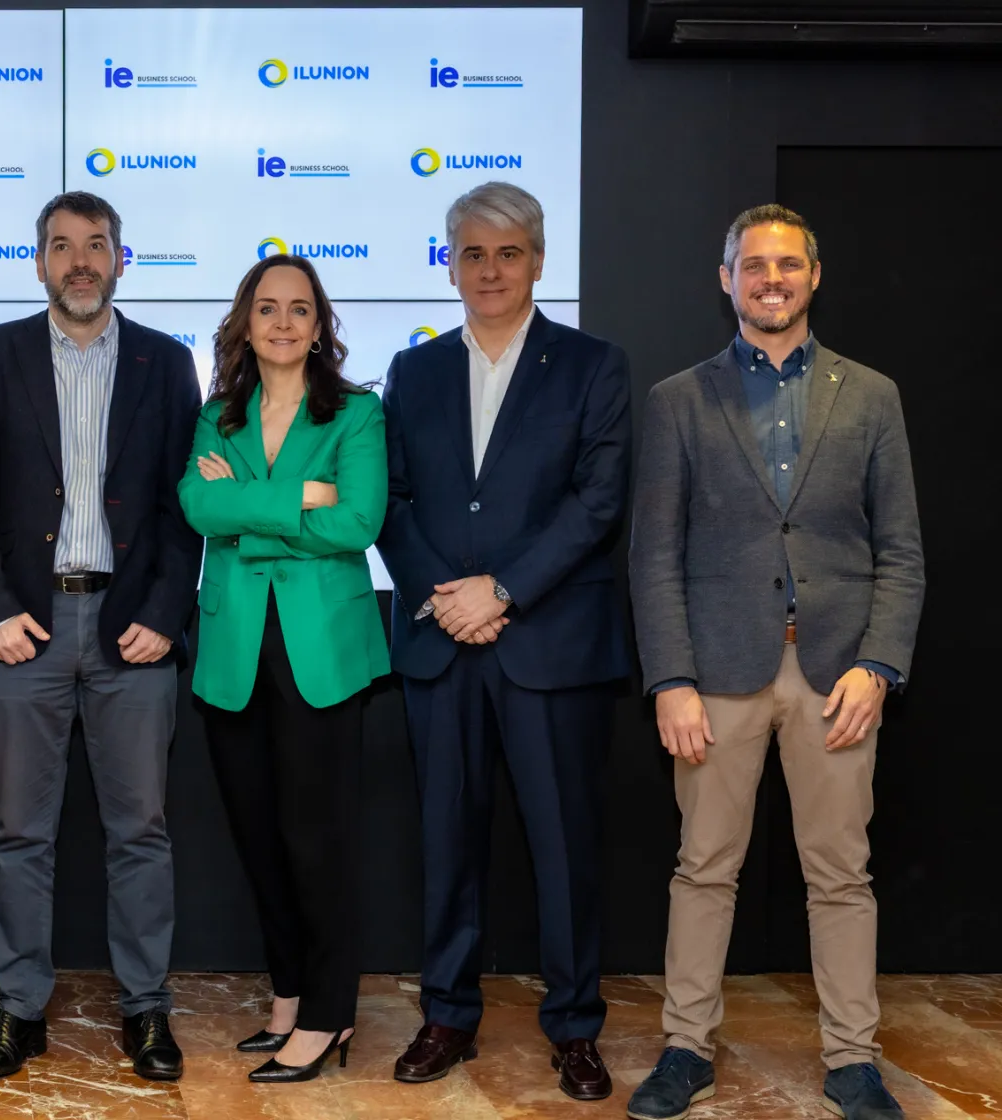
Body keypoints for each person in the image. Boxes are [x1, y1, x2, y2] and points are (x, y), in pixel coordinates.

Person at [626, 205, 924, 1120]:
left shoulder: (871, 395)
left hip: (837, 678)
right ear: (726, 279)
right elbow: (655, 554)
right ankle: (685, 1049)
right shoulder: (680, 399)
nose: (771, 279)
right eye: (753, 265)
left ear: (814, 276)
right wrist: (670, 680)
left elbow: (901, 551)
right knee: (704, 865)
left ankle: (852, 1058)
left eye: (787, 264)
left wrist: (879, 664)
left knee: (840, 872)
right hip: (715, 676)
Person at [376, 181, 631, 1099]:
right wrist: (447, 599)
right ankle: (447, 1015)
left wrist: (506, 591)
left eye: (508, 252)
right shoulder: (415, 371)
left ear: (538, 261)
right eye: (472, 253)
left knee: (564, 849)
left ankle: (574, 1028)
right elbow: (390, 502)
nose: (490, 269)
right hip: (443, 645)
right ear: (450, 263)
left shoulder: (594, 365)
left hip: (550, 646)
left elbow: (597, 503)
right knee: (446, 842)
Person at [0, 191, 201, 1083]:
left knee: (142, 832)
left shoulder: (168, 362)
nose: (80, 261)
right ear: (41, 262)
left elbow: (185, 506)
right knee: (20, 833)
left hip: (135, 629)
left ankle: (146, 1010)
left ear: (121, 260)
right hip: (26, 627)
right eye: (62, 247)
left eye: (96, 246)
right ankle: (19, 1011)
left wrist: (166, 614)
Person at [178, 254, 388, 1084]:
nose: (283, 323)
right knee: (260, 837)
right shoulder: (217, 415)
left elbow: (361, 521)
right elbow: (199, 507)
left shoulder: (357, 413)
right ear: (246, 320)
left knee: (318, 840)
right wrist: (304, 497)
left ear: (319, 323)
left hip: (321, 654)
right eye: (268, 309)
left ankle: (333, 1013)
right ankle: (291, 995)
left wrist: (252, 510)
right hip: (234, 651)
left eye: (300, 309)